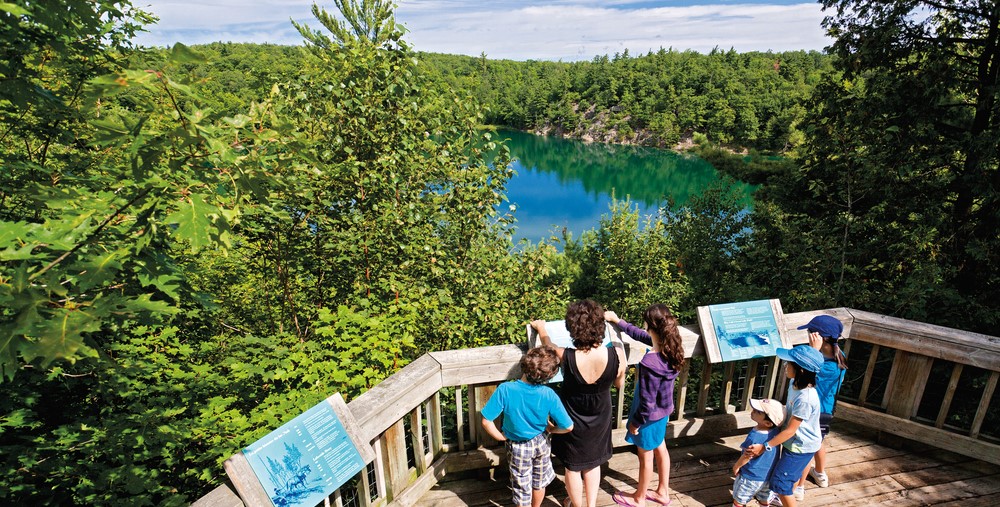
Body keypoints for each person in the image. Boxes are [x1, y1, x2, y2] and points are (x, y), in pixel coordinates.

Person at [531, 299, 626, 507]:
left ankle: (576, 504)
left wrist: (541, 328)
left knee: (572, 467)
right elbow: (619, 383)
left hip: (571, 415)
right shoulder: (616, 355)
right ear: (600, 327)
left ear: (572, 328)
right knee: (593, 463)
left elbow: (548, 345)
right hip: (600, 415)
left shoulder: (566, 355)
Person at [605, 305, 681, 507]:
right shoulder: (670, 348)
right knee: (661, 448)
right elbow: (639, 334)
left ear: (651, 326)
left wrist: (635, 423)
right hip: (663, 413)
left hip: (647, 418)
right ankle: (663, 492)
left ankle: (639, 498)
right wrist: (617, 321)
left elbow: (647, 402)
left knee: (645, 456)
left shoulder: (650, 362)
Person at [481, 345, 575, 507]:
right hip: (541, 442)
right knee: (539, 482)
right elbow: (568, 426)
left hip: (517, 446)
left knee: (521, 485)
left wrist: (501, 436)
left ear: (525, 364)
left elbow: (486, 421)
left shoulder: (505, 389)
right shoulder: (548, 394)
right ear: (549, 376)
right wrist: (552, 429)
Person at [745, 345, 824, 507]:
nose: (785, 366)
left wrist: (765, 446)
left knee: (781, 484)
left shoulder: (806, 398)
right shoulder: (794, 384)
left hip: (801, 447)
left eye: (789, 364)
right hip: (793, 443)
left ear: (801, 370)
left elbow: (790, 430)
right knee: (786, 478)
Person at [793, 315, 847, 500]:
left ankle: (799, 487)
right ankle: (820, 473)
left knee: (804, 448)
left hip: (810, 411)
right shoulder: (841, 356)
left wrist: (812, 352)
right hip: (827, 410)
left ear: (820, 337)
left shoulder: (817, 361)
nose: (807, 335)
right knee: (817, 442)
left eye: (810, 332)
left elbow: (802, 379)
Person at [731, 398, 784, 507]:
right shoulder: (776, 432)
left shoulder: (754, 436)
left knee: (739, 501)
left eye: (757, 412)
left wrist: (736, 466)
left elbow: (747, 455)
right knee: (764, 500)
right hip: (768, 476)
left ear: (768, 423)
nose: (753, 411)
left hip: (750, 477)